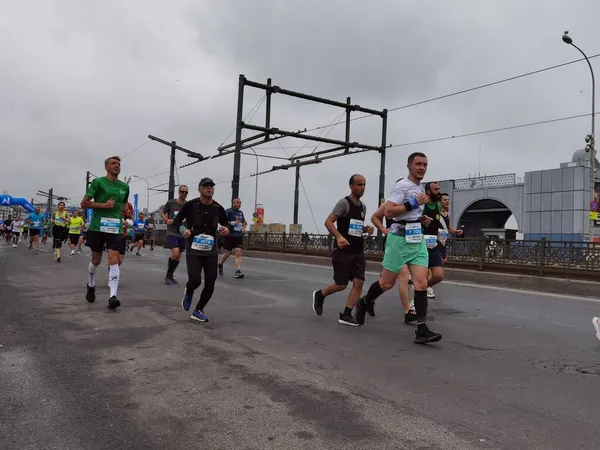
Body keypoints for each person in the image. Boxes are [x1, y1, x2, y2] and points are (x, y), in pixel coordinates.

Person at [355, 152, 442, 344]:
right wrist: (414, 203)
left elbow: (408, 213)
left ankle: (422, 329)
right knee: (386, 283)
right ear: (409, 166)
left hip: (416, 239)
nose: (422, 167)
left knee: (421, 283)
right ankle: (364, 303)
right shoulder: (402, 186)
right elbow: (389, 211)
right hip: (399, 239)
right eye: (418, 164)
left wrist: (420, 217)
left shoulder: (419, 187)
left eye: (425, 164)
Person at [312, 174, 374, 326]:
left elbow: (354, 227)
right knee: (341, 285)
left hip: (358, 251)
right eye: (359, 184)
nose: (362, 188)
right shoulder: (344, 203)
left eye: (364, 185)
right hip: (343, 251)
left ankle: (346, 314)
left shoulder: (363, 207)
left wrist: (365, 229)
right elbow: (328, 222)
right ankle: (320, 294)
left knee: (359, 282)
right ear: (351, 186)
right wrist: (339, 237)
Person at [172, 178, 229, 323]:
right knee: (195, 280)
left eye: (211, 186)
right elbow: (177, 221)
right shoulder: (191, 205)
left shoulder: (218, 207)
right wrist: (183, 229)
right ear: (199, 189)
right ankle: (189, 291)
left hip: (211, 249)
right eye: (206, 186)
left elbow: (225, 223)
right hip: (194, 248)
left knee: (210, 282)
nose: (209, 189)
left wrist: (226, 229)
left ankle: (198, 310)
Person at [81, 156, 131, 309]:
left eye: (118, 164)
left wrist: (127, 213)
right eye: (113, 163)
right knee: (96, 260)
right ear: (107, 167)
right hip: (97, 227)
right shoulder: (98, 182)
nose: (117, 165)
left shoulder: (124, 187)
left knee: (113, 259)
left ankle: (113, 296)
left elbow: (123, 206)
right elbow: (84, 203)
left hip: (114, 228)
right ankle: (91, 284)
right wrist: (104, 205)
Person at [370, 201, 418, 324]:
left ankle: (368, 300)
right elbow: (374, 217)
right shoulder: (389, 205)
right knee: (402, 277)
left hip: (410, 244)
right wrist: (383, 230)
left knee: (388, 281)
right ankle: (407, 311)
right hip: (394, 244)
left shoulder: (412, 205)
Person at [161, 185, 189, 285]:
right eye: (182, 191)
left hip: (182, 233)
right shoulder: (171, 202)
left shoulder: (188, 205)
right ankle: (168, 276)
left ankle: (171, 275)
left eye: (186, 192)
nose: (184, 194)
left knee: (177, 257)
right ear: (178, 192)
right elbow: (163, 213)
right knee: (175, 253)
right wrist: (167, 220)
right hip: (172, 232)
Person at [219, 197, 247, 279]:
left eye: (240, 203)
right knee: (228, 253)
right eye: (237, 203)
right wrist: (233, 223)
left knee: (238, 252)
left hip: (238, 235)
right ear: (233, 203)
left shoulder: (241, 212)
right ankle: (220, 264)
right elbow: (223, 221)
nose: (239, 204)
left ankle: (238, 271)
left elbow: (244, 221)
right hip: (229, 235)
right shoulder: (228, 211)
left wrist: (244, 227)